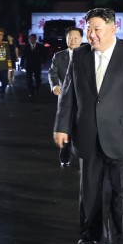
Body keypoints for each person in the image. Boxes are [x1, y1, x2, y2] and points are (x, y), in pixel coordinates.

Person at [53, 8, 123, 244]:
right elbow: (68, 96)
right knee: (89, 191)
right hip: (88, 134)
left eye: (96, 29)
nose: (91, 35)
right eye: (88, 29)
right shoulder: (79, 56)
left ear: (112, 29)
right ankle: (90, 234)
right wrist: (62, 126)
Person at [48, 26, 83, 166]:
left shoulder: (89, 55)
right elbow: (52, 73)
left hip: (83, 100)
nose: (73, 40)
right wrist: (55, 85)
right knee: (65, 127)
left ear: (81, 39)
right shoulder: (59, 56)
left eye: (76, 38)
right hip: (65, 98)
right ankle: (65, 155)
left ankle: (84, 155)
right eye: (70, 37)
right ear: (66, 39)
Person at [22, 33, 44, 98]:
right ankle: (31, 92)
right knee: (29, 79)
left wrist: (43, 63)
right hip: (29, 65)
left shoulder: (40, 46)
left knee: (38, 79)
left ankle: (36, 89)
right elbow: (24, 56)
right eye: (30, 39)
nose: (32, 40)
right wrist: (22, 64)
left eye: (33, 39)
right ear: (29, 39)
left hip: (37, 65)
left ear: (35, 39)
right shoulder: (27, 47)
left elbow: (44, 55)